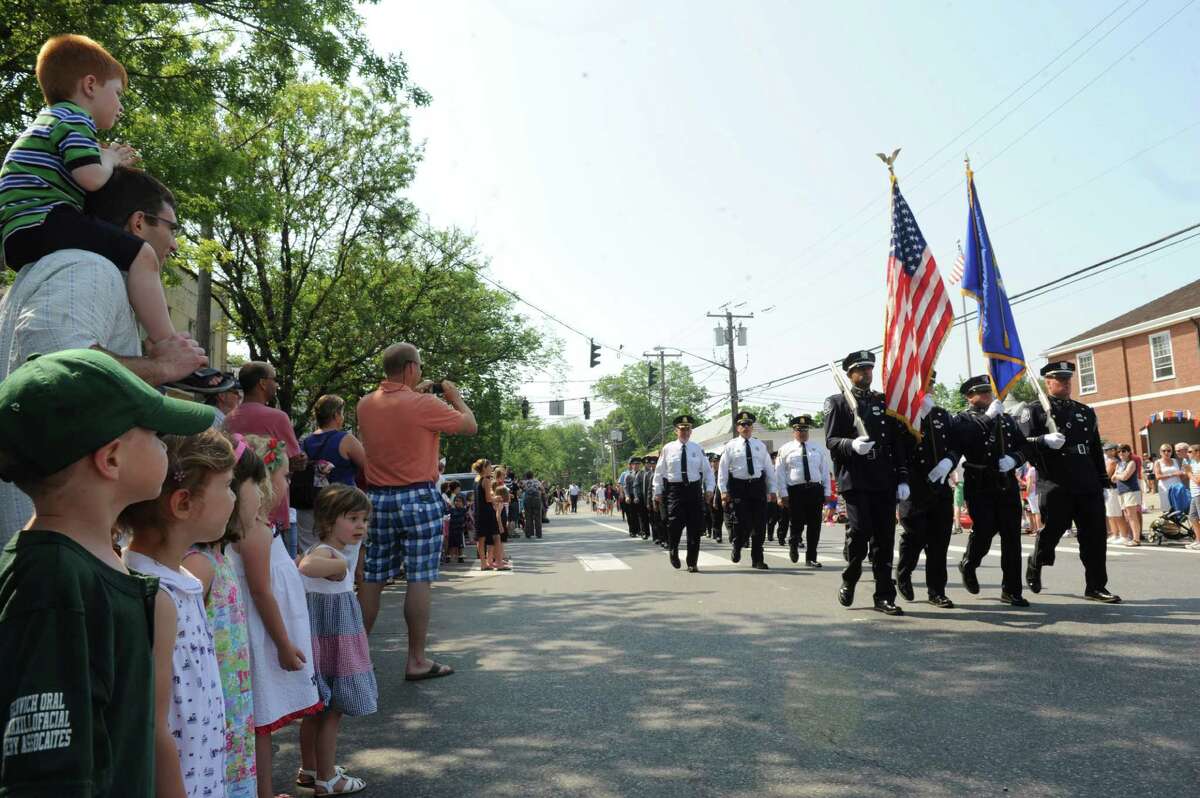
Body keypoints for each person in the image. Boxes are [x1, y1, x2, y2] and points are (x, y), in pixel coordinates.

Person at [0, 348, 214, 797]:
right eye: (156, 433)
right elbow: (47, 774)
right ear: (111, 459)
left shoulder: (89, 563)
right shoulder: (53, 583)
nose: (165, 447)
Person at [0, 166, 208, 545]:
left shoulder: (73, 268)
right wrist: (161, 367)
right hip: (54, 550)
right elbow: (59, 368)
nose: (175, 245)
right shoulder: (89, 268)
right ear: (139, 223)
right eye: (172, 228)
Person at [1, 35, 177, 347]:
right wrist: (108, 159)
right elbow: (93, 178)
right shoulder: (75, 118)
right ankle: (167, 342)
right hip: (45, 220)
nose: (120, 106)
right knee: (141, 255)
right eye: (118, 94)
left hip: (17, 236)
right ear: (90, 85)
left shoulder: (50, 121)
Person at [120, 429, 235, 798]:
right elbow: (152, 727)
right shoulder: (157, 596)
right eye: (228, 485)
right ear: (183, 503)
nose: (234, 497)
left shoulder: (180, 580)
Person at [356, 343, 477, 680]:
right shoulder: (424, 404)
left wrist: (415, 394)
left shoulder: (365, 404)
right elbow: (469, 425)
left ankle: (356, 658)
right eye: (420, 367)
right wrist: (453, 396)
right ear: (410, 368)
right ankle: (416, 660)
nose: (422, 373)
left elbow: (397, 417)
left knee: (373, 577)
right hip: (417, 498)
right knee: (419, 577)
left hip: (377, 500)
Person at [183, 434, 266, 798]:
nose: (261, 497)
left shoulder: (218, 558)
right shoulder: (198, 565)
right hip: (207, 719)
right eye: (253, 487)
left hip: (228, 710)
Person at [298, 484, 377, 796]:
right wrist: (342, 565)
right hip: (334, 642)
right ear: (329, 521)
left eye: (364, 520)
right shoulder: (326, 554)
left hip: (327, 637)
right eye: (353, 518)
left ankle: (311, 768)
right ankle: (327, 778)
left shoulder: (333, 550)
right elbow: (307, 566)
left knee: (316, 709)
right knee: (332, 709)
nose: (360, 526)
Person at [1020, 361, 1121, 603]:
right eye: (1059, 379)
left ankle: (1095, 586)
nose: (1065, 383)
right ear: (1048, 382)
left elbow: (1095, 448)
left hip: (1086, 481)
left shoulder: (1085, 411)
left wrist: (1102, 479)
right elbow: (1022, 443)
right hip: (1056, 481)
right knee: (1053, 531)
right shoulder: (1034, 410)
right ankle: (1037, 560)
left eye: (1068, 379)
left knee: (1095, 536)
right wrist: (1043, 440)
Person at [824, 350, 909, 616]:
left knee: (884, 540)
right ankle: (850, 578)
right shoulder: (837, 402)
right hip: (857, 480)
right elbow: (831, 441)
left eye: (869, 369)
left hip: (883, 479)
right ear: (850, 374)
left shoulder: (884, 403)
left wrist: (903, 477)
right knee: (859, 535)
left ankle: (884, 595)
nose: (866, 374)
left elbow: (898, 444)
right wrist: (851, 444)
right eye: (861, 370)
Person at [954, 376, 1030, 606]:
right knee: (984, 531)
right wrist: (988, 418)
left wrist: (1015, 459)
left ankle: (1012, 590)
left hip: (1005, 482)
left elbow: (1023, 446)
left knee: (1011, 537)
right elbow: (967, 441)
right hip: (980, 482)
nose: (988, 397)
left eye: (990, 392)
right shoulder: (963, 419)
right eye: (983, 393)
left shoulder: (1005, 419)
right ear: (970, 397)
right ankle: (970, 561)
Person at [224, 361, 307, 556]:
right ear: (262, 383)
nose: (276, 385)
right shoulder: (277, 417)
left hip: (239, 507)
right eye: (274, 379)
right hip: (273, 508)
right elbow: (296, 460)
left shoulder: (229, 418)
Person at [296, 394, 367, 551]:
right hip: (343, 504)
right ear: (335, 415)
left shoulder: (306, 442)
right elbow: (369, 468)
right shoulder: (346, 439)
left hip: (311, 504)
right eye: (341, 413)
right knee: (344, 557)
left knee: (311, 552)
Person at [653, 415, 715, 572]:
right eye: (682, 429)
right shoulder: (668, 448)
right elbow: (659, 472)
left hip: (694, 490)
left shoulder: (697, 448)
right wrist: (657, 490)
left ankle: (692, 562)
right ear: (676, 431)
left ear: (691, 431)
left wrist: (709, 489)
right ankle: (673, 550)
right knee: (674, 524)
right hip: (675, 490)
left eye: (688, 429)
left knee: (695, 527)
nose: (685, 432)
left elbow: (707, 472)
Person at [718, 411, 778, 570]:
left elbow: (768, 469)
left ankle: (757, 559)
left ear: (752, 427)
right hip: (739, 487)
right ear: (737, 428)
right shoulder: (730, 446)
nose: (746, 427)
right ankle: (737, 544)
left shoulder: (760, 446)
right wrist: (723, 491)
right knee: (741, 522)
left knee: (759, 524)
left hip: (757, 486)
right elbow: (723, 470)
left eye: (748, 424)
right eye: (742, 425)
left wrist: (772, 489)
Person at [775, 415, 833, 567]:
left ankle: (811, 557)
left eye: (805, 430)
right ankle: (794, 542)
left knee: (815, 526)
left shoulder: (817, 448)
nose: (802, 433)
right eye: (799, 430)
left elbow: (825, 471)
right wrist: (782, 493)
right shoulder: (785, 449)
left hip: (815, 490)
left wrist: (827, 491)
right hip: (796, 491)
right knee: (797, 523)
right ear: (793, 431)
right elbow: (779, 473)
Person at [1113, 444, 1143, 546]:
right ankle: (1132, 537)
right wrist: (1118, 476)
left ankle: (1136, 539)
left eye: (1124, 451)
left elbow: (1125, 476)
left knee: (1132, 515)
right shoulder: (1119, 464)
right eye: (1119, 451)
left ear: (1129, 452)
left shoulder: (1132, 463)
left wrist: (1117, 475)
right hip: (1121, 492)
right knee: (1127, 516)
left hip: (1131, 491)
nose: (1121, 453)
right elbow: (1113, 478)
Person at [707, 453, 725, 543]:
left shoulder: (721, 473)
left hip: (720, 496)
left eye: (717, 461)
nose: (715, 463)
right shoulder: (709, 473)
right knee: (714, 516)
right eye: (713, 462)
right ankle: (716, 533)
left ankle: (718, 534)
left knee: (721, 516)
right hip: (711, 497)